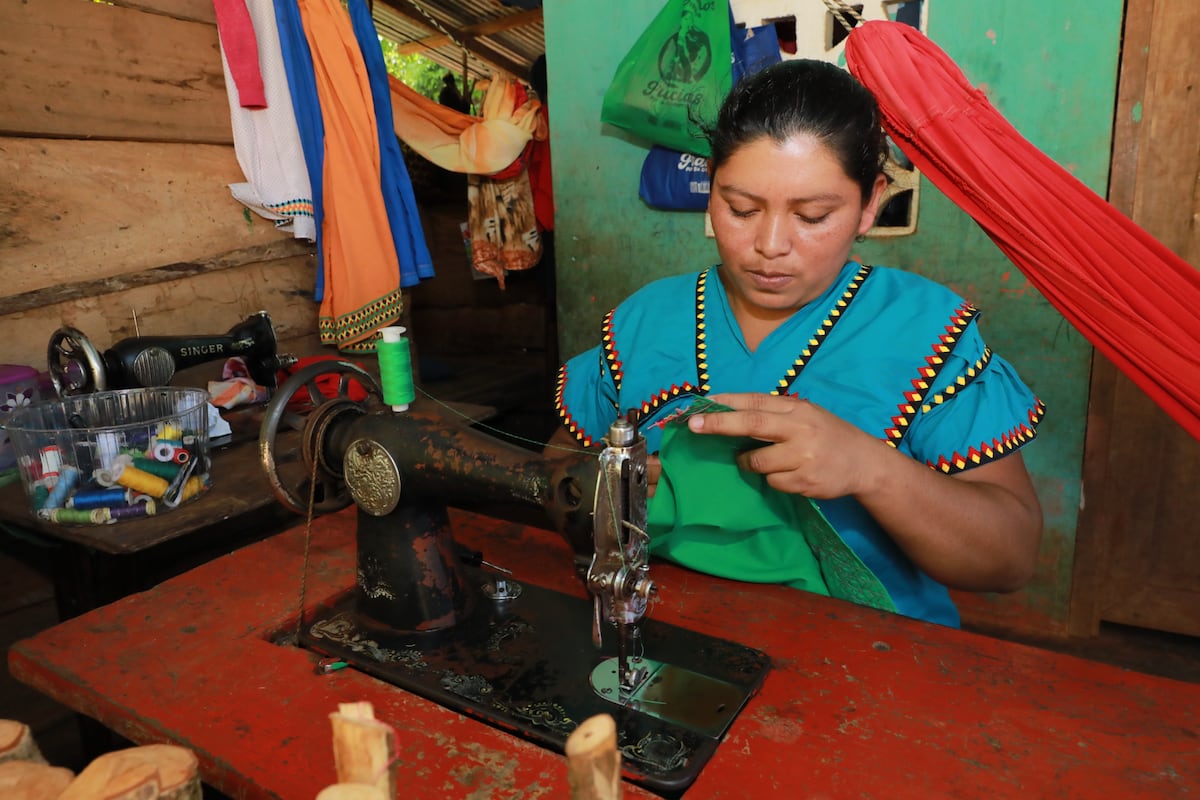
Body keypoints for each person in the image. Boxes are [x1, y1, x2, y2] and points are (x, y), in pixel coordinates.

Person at [551, 59, 1045, 627]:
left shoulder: (928, 332)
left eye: (812, 216)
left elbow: (1010, 558)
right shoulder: (646, 319)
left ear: (869, 204)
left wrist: (870, 469)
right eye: (740, 208)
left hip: (874, 653)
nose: (770, 245)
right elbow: (560, 464)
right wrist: (611, 489)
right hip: (669, 626)